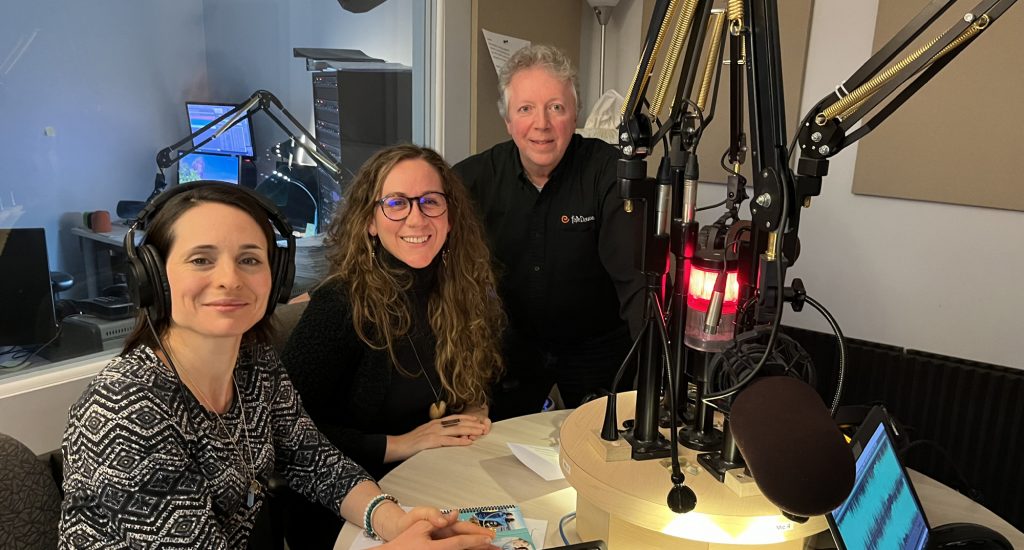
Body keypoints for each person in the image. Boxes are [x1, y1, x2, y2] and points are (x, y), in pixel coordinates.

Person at [57, 181, 496, 550]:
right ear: (153, 276)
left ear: (276, 277)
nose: (230, 278)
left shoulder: (254, 365)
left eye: (249, 259)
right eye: (201, 259)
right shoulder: (124, 412)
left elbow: (310, 457)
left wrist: (392, 520)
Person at [280, 144, 506, 547]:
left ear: (450, 216)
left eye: (430, 202)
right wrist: (399, 444)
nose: (416, 217)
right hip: (345, 510)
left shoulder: (464, 291)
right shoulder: (340, 305)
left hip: (434, 484)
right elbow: (289, 437)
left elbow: (467, 385)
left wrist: (473, 406)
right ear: (370, 220)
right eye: (397, 203)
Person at [453, 44, 644, 419]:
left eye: (556, 107)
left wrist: (660, 376)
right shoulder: (472, 178)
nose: (541, 123)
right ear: (508, 120)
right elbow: (413, 228)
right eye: (526, 109)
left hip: (601, 350)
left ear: (574, 115)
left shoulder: (610, 174)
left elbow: (636, 280)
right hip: (511, 350)